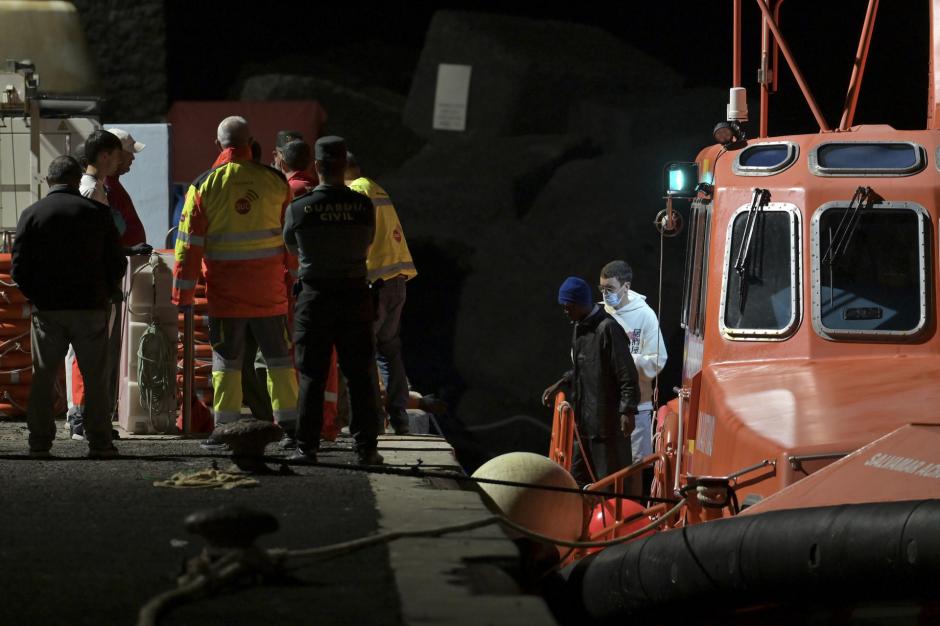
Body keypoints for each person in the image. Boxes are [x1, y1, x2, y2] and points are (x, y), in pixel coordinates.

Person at [172, 116, 299, 447]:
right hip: (269, 293)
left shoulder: (204, 186)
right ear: (250, 141)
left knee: (226, 363)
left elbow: (187, 247)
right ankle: (291, 429)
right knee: (279, 360)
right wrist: (296, 281)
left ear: (219, 145)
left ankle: (224, 429)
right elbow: (291, 242)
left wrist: (182, 297)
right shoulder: (275, 182)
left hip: (226, 297)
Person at [12, 156, 127, 458]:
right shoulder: (99, 214)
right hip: (90, 308)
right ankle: (100, 442)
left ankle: (39, 442)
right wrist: (105, 291)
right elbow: (117, 262)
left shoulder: (32, 214)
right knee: (94, 378)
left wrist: (36, 295)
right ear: (77, 181)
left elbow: (18, 268)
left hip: (47, 310)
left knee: (43, 376)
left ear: (49, 181)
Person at [283, 135, 383, 465]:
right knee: (360, 374)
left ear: (317, 166)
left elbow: (291, 246)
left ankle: (306, 446)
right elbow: (368, 241)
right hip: (355, 295)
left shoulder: (300, 207)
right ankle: (366, 448)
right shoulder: (363, 205)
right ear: (344, 166)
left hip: (315, 296)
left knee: (312, 372)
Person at [67, 130, 152, 441]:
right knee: (87, 349)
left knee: (95, 350)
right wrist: (125, 251)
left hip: (102, 280)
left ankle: (90, 415)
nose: (124, 162)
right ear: (105, 156)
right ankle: (81, 416)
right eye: (120, 156)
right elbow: (95, 242)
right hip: (96, 283)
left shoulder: (101, 187)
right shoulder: (93, 191)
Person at [542, 276, 640, 487]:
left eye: (568, 307)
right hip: (584, 424)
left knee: (607, 483)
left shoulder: (608, 329)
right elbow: (583, 369)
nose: (565, 311)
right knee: (577, 479)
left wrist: (627, 410)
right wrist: (561, 382)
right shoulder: (580, 327)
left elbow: (627, 373)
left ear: (580, 303)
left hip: (606, 427)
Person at [345, 150, 417, 435]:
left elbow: (359, 237)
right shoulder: (376, 187)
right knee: (389, 350)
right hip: (397, 281)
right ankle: (399, 418)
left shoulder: (357, 191)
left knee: (364, 353)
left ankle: (372, 420)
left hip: (375, 285)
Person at [598, 260, 667, 474]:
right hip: (605, 407)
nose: (605, 294)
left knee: (636, 468)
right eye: (602, 289)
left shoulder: (645, 315)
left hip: (637, 407)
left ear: (626, 287)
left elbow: (658, 359)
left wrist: (627, 361)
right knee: (608, 468)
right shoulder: (600, 314)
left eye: (610, 289)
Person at [79, 130, 123, 207]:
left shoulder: (96, 187)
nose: (120, 161)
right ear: (105, 156)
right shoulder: (91, 190)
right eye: (118, 156)